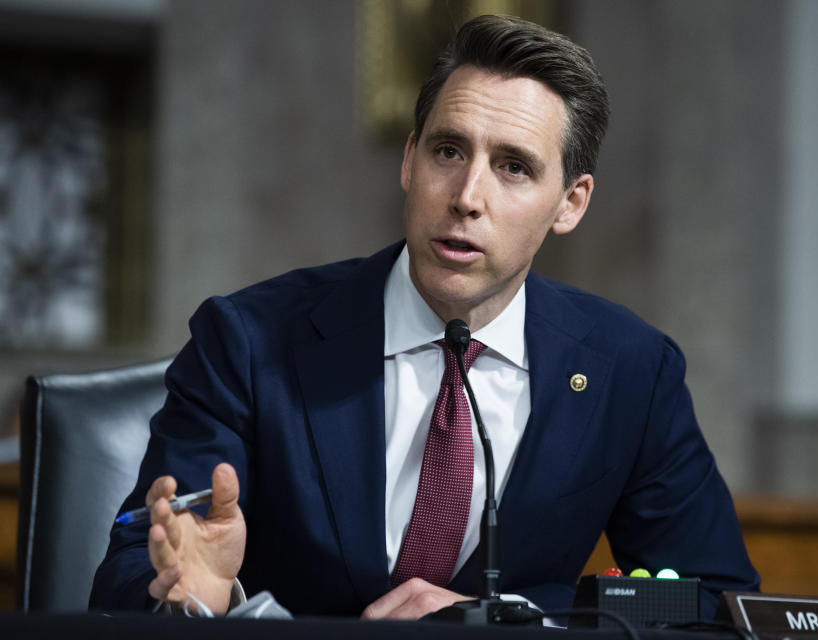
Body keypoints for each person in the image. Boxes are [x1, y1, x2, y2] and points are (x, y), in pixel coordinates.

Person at [90, 14, 759, 620]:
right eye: (448, 151)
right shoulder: (247, 340)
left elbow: (713, 598)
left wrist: (519, 621)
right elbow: (126, 568)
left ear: (571, 203)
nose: (467, 196)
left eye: (514, 168)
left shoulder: (629, 371)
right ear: (410, 161)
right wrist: (198, 599)